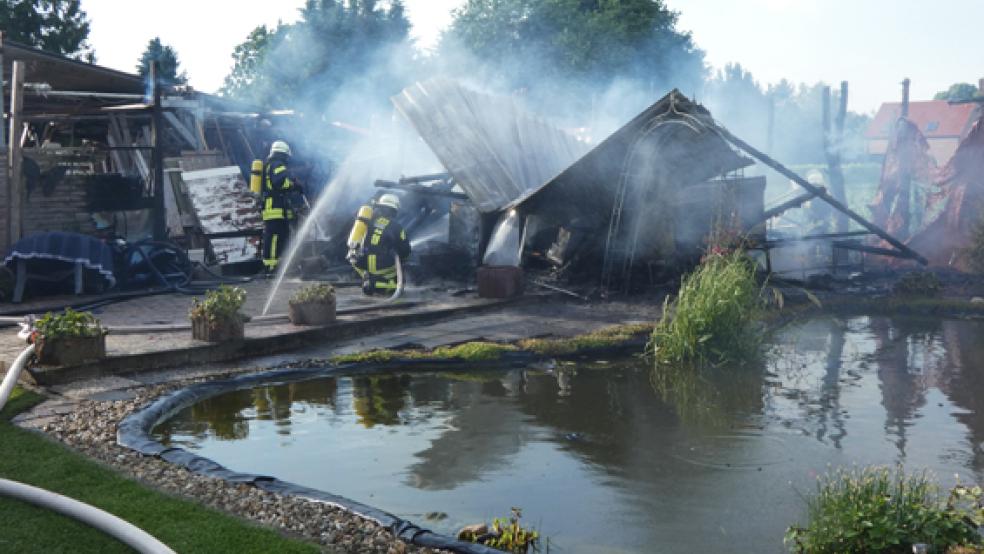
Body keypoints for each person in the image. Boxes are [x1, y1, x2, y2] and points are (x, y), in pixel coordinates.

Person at [351, 193, 410, 295]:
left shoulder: (368, 222)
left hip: (364, 266)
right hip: (383, 268)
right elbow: (405, 251)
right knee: (403, 261)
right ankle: (389, 284)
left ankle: (368, 278)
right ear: (394, 210)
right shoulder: (396, 227)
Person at [260, 140, 301, 272]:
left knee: (281, 236)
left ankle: (278, 265)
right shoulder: (278, 164)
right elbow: (280, 183)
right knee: (275, 237)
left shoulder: (269, 165)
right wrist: (294, 186)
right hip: (275, 207)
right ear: (284, 154)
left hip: (274, 207)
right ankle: (271, 266)